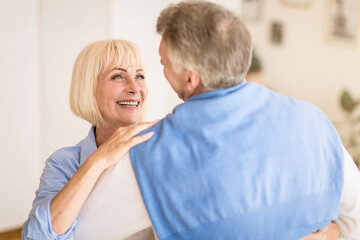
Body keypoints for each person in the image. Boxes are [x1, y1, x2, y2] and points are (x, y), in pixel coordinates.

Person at [127, 1, 360, 239]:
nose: (162, 69)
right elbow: (356, 222)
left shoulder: (148, 150)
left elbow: (88, 227)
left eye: (164, 63)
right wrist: (333, 233)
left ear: (190, 78)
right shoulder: (315, 122)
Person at [22, 39, 158, 239]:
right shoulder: (64, 163)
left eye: (140, 76)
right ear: (89, 88)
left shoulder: (159, 150)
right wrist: (100, 159)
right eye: (118, 76)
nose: (134, 87)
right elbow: (39, 236)